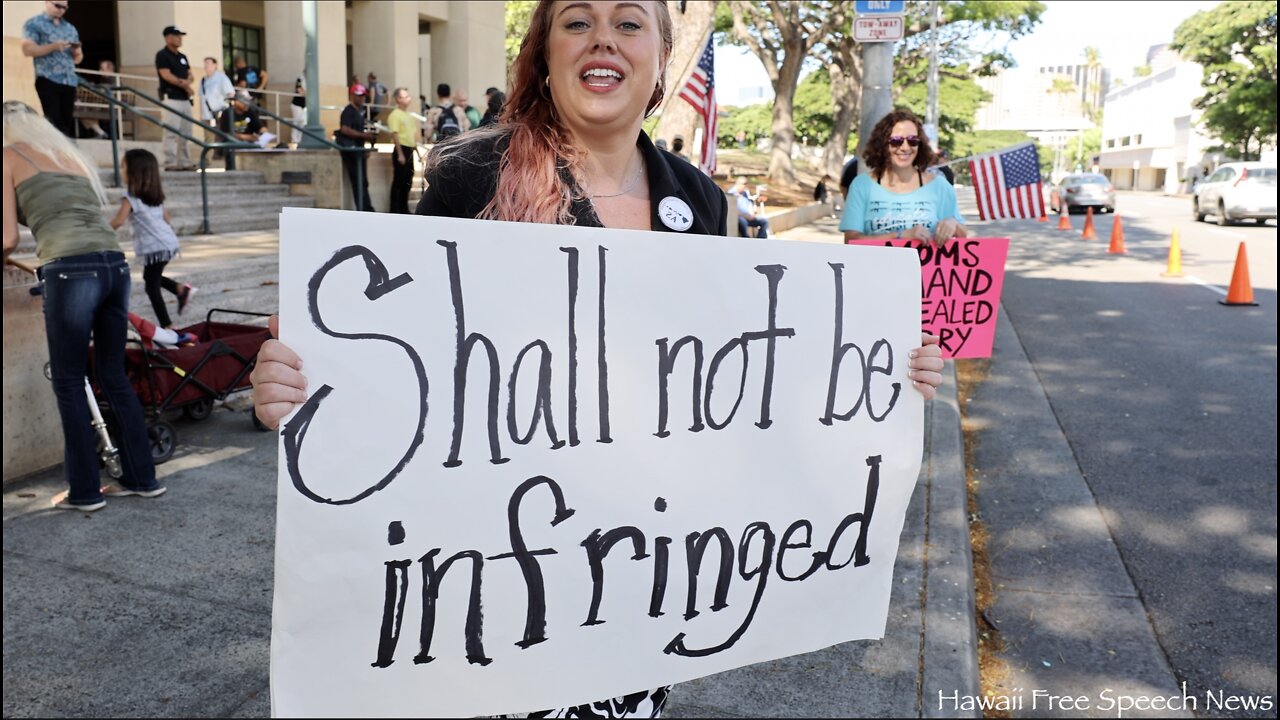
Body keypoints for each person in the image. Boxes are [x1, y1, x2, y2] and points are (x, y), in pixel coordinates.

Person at [250, 2, 943, 714]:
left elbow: (766, 379)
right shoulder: (473, 176)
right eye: (577, 21)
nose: (602, 38)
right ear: (546, 55)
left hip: (636, 594)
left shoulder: (698, 199)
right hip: (495, 588)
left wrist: (885, 370)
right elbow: (414, 362)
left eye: (629, 22)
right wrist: (305, 387)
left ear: (660, 60)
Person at [3, 100, 165, 511]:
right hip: (114, 266)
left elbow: (6, 239)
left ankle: (85, 492)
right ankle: (143, 479)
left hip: (70, 270)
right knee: (113, 374)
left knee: (70, 380)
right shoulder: (67, 156)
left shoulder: (8, 156)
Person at [841, 109, 966, 245]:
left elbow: (963, 237)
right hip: (876, 266)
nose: (905, 147)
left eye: (912, 141)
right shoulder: (862, 185)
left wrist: (953, 223)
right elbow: (851, 240)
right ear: (882, 144)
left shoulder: (939, 186)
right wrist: (900, 236)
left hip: (925, 267)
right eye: (896, 141)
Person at [108, 148, 194, 330]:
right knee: (150, 277)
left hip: (156, 247)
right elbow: (167, 218)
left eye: (123, 167)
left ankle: (168, 326)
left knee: (151, 287)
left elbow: (118, 221)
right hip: (168, 244)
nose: (121, 171)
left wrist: (100, 232)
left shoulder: (130, 197)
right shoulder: (155, 195)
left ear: (134, 173)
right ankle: (180, 289)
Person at [22, 0, 84, 139]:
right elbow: (27, 50)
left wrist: (77, 52)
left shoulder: (70, 28)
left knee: (66, 123)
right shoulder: (34, 23)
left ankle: (64, 151)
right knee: (54, 121)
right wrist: (54, 46)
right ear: (47, 2)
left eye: (65, 7)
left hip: (69, 81)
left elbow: (78, 59)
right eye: (58, 6)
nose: (61, 10)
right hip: (47, 78)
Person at [155, 25, 194, 170]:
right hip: (171, 97)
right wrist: (184, 85)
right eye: (177, 36)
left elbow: (190, 74)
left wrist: (187, 82)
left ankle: (185, 162)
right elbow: (166, 75)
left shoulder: (182, 57)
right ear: (168, 37)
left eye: (180, 36)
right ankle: (170, 162)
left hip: (185, 99)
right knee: (171, 132)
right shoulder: (162, 55)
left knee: (186, 132)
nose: (180, 38)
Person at [336, 83, 376, 211]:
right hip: (352, 152)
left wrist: (364, 146)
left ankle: (366, 208)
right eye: (359, 96)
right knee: (358, 181)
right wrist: (363, 135)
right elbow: (344, 129)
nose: (361, 98)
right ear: (352, 95)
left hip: (358, 150)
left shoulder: (359, 112)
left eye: (363, 96)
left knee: (362, 181)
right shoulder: (348, 111)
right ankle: (364, 208)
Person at [385, 86, 418, 214]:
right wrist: (400, 154)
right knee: (399, 180)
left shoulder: (409, 116)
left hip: (409, 150)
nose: (409, 99)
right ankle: (395, 208)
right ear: (398, 99)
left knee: (408, 179)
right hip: (401, 149)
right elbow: (395, 134)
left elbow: (411, 135)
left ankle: (404, 208)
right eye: (405, 96)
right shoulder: (395, 115)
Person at [80, 59, 117, 139]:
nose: (100, 71)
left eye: (102, 69)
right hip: (101, 105)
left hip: (109, 107)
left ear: (109, 70)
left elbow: (107, 90)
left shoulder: (115, 79)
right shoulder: (103, 80)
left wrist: (95, 87)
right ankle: (100, 132)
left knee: (82, 109)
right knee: (80, 108)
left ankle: (100, 133)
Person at [199, 56, 235, 127]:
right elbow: (201, 98)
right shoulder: (203, 80)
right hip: (207, 116)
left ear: (215, 65)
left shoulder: (222, 78)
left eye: (208, 63)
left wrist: (226, 111)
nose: (205, 66)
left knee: (219, 136)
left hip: (220, 115)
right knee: (209, 137)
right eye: (205, 63)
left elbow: (231, 94)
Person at [290, 73, 307, 146]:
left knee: (302, 122)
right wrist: (305, 93)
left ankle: (299, 139)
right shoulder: (300, 78)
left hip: (304, 105)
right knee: (296, 121)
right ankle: (294, 139)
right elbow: (299, 89)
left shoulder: (310, 79)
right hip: (296, 104)